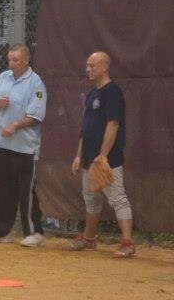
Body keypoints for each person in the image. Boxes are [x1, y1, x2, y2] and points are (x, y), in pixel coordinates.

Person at [66, 51, 135, 258]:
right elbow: (85, 129)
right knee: (91, 199)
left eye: (92, 65)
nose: (88, 69)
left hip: (107, 158)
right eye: (87, 65)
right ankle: (89, 239)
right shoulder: (92, 94)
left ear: (105, 67)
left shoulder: (112, 92)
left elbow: (113, 123)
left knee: (117, 198)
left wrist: (103, 155)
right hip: (88, 157)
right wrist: (79, 156)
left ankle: (127, 242)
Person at [0, 43, 47, 247]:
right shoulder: (4, 77)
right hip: (2, 143)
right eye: (10, 59)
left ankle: (33, 233)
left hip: (24, 146)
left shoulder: (36, 83)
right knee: (1, 187)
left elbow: (36, 115)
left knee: (25, 190)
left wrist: (15, 126)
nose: (12, 63)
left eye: (16, 60)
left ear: (26, 61)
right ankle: (0, 231)